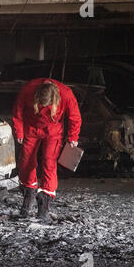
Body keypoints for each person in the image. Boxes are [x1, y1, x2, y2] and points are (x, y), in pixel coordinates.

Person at [12, 78, 82, 222]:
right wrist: (19, 132)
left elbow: (75, 117)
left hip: (53, 130)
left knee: (49, 163)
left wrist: (73, 137)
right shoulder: (28, 89)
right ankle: (28, 194)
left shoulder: (66, 94)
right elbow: (17, 112)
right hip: (31, 128)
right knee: (25, 161)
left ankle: (44, 205)